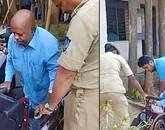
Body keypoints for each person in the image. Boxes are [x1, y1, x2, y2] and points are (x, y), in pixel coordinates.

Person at [35, 0, 99, 130]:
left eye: (60, 5)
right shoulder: (96, 7)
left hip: (84, 101)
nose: (62, 11)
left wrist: (50, 106)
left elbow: (66, 73)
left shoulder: (83, 18)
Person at [0, 9, 60, 130]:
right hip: (28, 95)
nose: (15, 37)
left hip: (45, 99)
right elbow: (11, 61)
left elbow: (56, 76)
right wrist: (7, 80)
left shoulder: (49, 44)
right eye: (13, 32)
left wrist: (48, 104)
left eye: (20, 34)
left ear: (33, 30)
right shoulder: (12, 39)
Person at [100, 43, 146, 129]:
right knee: (123, 120)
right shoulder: (118, 57)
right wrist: (143, 94)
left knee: (101, 120)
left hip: (99, 92)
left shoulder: (99, 58)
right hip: (115, 91)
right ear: (114, 51)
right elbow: (132, 78)